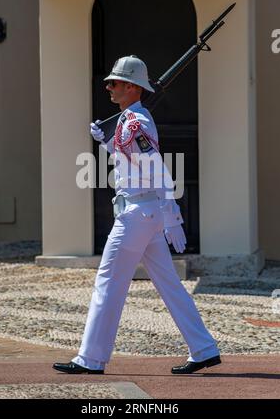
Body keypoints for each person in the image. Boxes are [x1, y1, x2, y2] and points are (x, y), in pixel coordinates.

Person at [53, 55, 221, 375]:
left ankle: (90, 359)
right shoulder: (130, 121)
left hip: (137, 215)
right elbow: (133, 164)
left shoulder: (135, 122)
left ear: (132, 87)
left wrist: (172, 214)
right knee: (169, 284)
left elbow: (154, 166)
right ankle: (204, 348)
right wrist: (106, 143)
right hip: (144, 213)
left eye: (114, 83)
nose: (109, 88)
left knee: (108, 282)